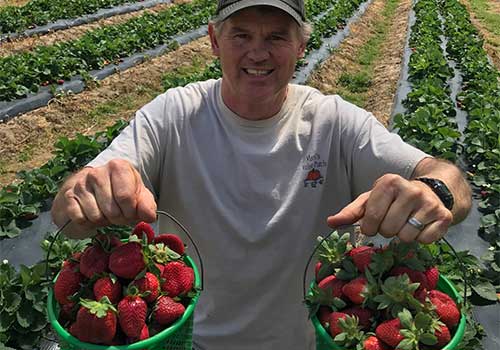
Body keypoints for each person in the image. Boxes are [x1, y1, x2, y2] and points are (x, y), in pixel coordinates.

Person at [51, 0, 472, 348]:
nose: (258, 52)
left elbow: (447, 178)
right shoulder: (173, 115)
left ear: (302, 45)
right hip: (190, 339)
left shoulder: (334, 121)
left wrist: (435, 191)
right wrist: (84, 195)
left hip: (310, 339)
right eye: (241, 35)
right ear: (214, 40)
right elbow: (66, 213)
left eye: (276, 37)